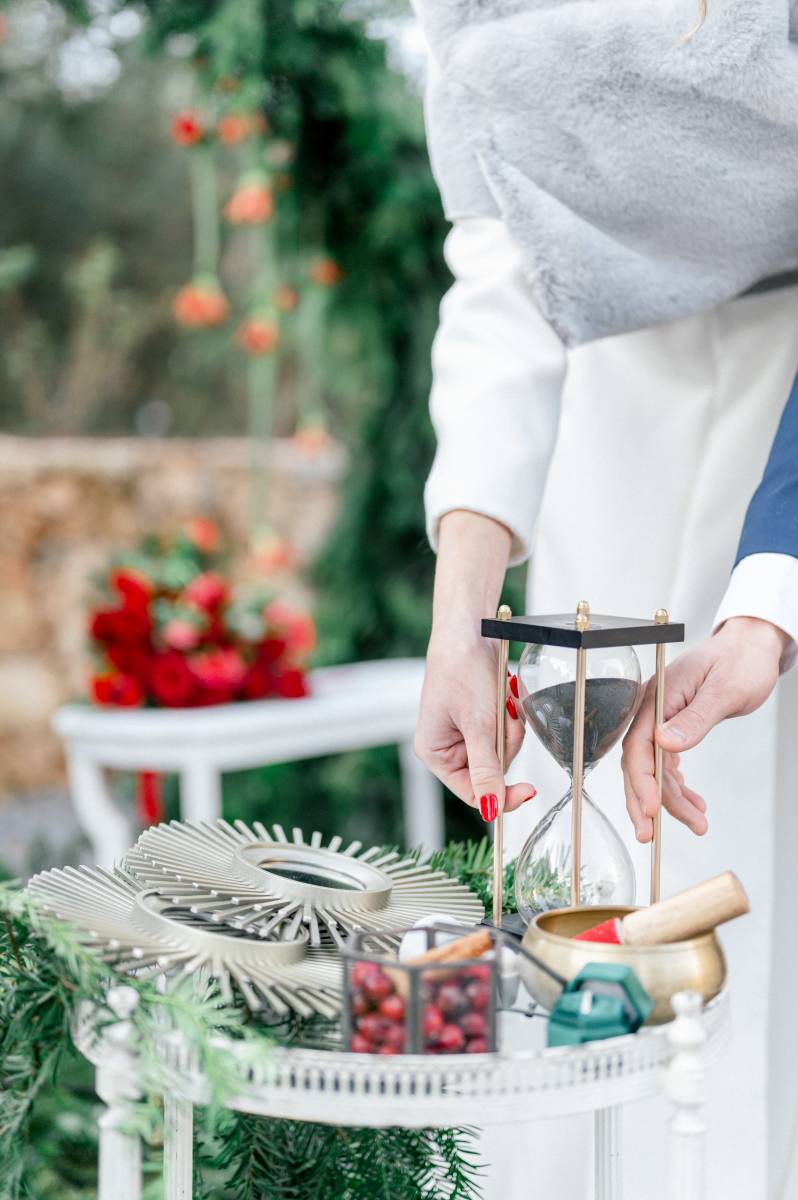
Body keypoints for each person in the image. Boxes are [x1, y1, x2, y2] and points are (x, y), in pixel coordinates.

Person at [411, 3, 798, 1197]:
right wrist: (462, 607)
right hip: (604, 397)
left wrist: (772, 592)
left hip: (786, 393)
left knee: (750, 861)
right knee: (574, 858)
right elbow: (502, 246)